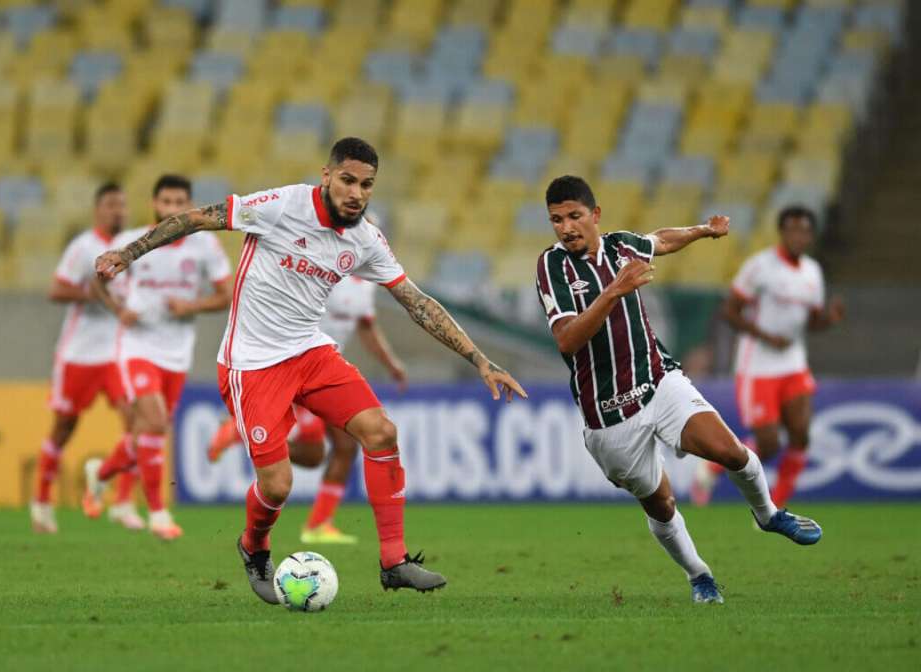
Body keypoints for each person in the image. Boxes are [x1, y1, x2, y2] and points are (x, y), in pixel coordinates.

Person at [96, 137, 526, 601]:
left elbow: (417, 303)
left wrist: (480, 360)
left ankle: (394, 561)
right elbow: (198, 218)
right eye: (347, 180)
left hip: (309, 352)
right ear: (326, 176)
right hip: (252, 362)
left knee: (381, 432)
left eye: (366, 185)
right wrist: (129, 253)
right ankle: (253, 546)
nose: (356, 193)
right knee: (278, 486)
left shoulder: (365, 239)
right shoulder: (282, 205)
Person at [535, 175, 822, 604]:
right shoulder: (552, 266)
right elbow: (567, 341)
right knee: (662, 504)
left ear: (595, 215)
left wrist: (703, 231)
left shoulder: (619, 246)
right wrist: (615, 290)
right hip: (609, 414)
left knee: (731, 453)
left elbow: (660, 241)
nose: (566, 228)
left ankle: (768, 514)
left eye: (574, 216)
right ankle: (698, 574)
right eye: (557, 220)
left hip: (658, 382)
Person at [206, 273, 409, 544]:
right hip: (292, 364)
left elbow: (366, 327)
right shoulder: (329, 267)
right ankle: (315, 523)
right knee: (334, 449)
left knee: (320, 454)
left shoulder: (367, 282)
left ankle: (318, 522)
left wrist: (391, 363)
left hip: (322, 367)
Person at [84, 174, 232, 540]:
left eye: (179, 202)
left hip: (177, 352)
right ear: (154, 203)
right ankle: (158, 513)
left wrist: (190, 305)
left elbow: (225, 296)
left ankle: (100, 475)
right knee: (152, 421)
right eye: (165, 202)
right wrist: (118, 309)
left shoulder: (205, 247)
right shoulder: (129, 243)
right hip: (137, 346)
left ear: (189, 205)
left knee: (147, 432)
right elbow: (97, 281)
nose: (171, 209)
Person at [691, 206, 844, 507]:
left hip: (793, 364)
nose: (799, 236)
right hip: (758, 367)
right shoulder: (760, 267)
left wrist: (829, 319)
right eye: (793, 230)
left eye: (804, 231)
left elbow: (810, 321)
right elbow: (729, 310)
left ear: (811, 236)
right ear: (782, 232)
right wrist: (765, 336)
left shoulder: (813, 272)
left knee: (801, 436)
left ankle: (776, 508)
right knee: (769, 445)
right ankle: (710, 468)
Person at [31, 182, 135, 534]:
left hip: (118, 353)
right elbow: (56, 290)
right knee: (63, 428)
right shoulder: (83, 247)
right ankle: (42, 503)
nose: (117, 211)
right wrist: (90, 294)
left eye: (121, 205)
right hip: (80, 353)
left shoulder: (132, 247)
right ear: (98, 210)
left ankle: (123, 502)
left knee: (136, 422)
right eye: (110, 205)